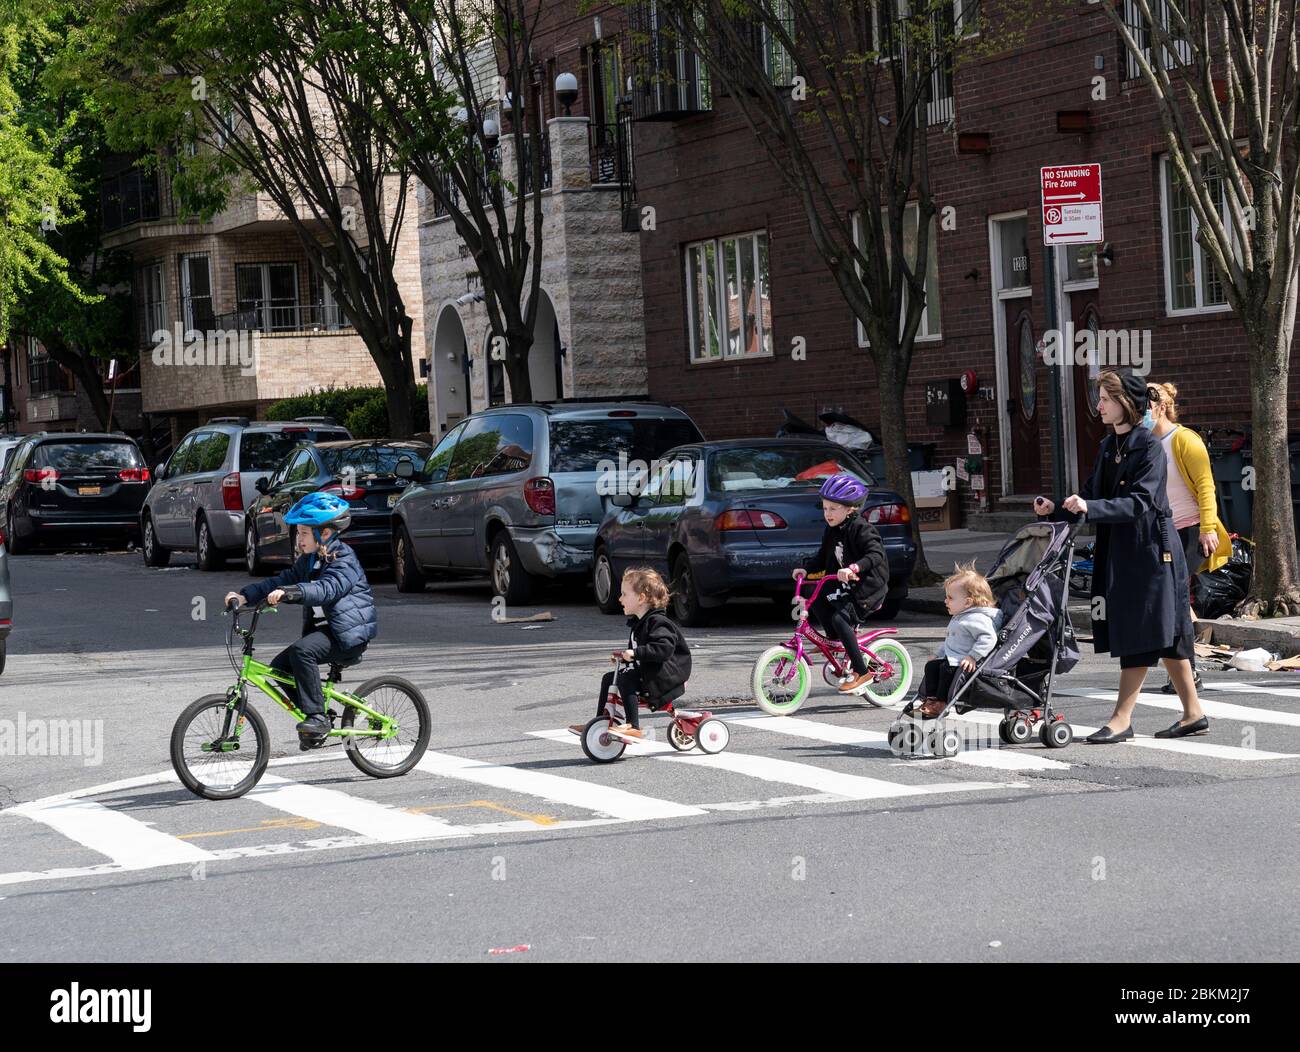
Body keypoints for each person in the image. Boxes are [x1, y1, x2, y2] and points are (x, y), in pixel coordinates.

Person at [1035, 370, 1207, 742]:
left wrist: (1090, 507)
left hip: (1152, 552)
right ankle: (1193, 713)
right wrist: (1057, 508)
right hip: (1125, 550)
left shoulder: (1149, 447)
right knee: (1170, 634)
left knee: (1141, 632)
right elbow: (1090, 494)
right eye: (1099, 398)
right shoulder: (1107, 446)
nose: (1098, 406)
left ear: (1126, 404)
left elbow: (1140, 502)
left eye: (1105, 399)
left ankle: (1121, 718)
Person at [225, 492, 377, 747]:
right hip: (327, 633)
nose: (299, 538)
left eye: (305, 533)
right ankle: (316, 717)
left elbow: (327, 588)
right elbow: (281, 580)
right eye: (298, 532)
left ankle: (316, 717)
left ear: (325, 534)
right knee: (280, 667)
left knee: (301, 652)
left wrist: (292, 592)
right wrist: (244, 596)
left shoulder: (344, 560)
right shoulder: (310, 561)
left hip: (347, 635)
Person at [1145, 381, 1231, 693]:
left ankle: (1188, 672)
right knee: (1170, 600)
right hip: (1162, 531)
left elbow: (1207, 486)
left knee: (1176, 599)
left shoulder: (1184, 440)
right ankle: (1183, 669)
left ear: (1160, 408)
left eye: (1144, 408)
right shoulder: (1145, 443)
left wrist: (1208, 528)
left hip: (1190, 530)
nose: (1139, 414)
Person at [791, 473, 890, 694]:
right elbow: (822, 556)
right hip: (846, 582)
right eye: (825, 508)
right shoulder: (832, 529)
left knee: (840, 617)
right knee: (813, 591)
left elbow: (875, 555)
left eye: (833, 509)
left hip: (868, 587)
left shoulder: (862, 529)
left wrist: (854, 567)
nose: (828, 514)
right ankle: (836, 641)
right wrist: (807, 568)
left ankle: (861, 671)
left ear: (850, 509)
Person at [569, 567, 691, 740]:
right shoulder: (639, 624)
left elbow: (663, 650)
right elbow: (638, 657)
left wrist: (634, 653)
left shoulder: (659, 623)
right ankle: (601, 721)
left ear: (641, 598)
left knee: (627, 677)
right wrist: (625, 659)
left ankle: (633, 726)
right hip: (651, 673)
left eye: (624, 594)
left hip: (665, 678)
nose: (620, 599)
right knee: (610, 678)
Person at [916, 563, 1003, 718]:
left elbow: (989, 638)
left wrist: (973, 656)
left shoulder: (977, 618)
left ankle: (941, 703)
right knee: (931, 667)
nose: (945, 601)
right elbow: (951, 641)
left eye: (950, 598)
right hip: (953, 658)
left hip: (964, 661)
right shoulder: (961, 616)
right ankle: (931, 699)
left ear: (968, 602)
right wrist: (938, 653)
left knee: (945, 670)